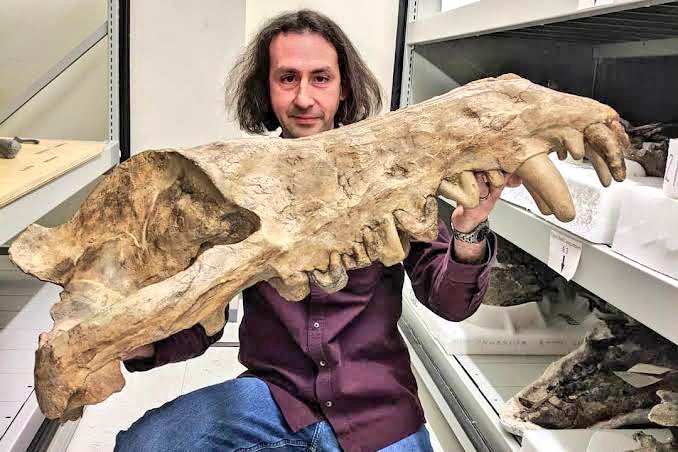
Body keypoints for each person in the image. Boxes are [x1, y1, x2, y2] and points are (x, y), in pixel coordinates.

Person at [115, 9, 520, 452]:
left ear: (343, 87)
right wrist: (140, 344)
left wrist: (468, 231)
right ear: (266, 87)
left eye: (320, 78)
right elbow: (203, 319)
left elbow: (449, 301)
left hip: (377, 410)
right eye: (288, 78)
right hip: (275, 400)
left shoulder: (390, 172)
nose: (303, 98)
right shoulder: (238, 186)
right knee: (143, 445)